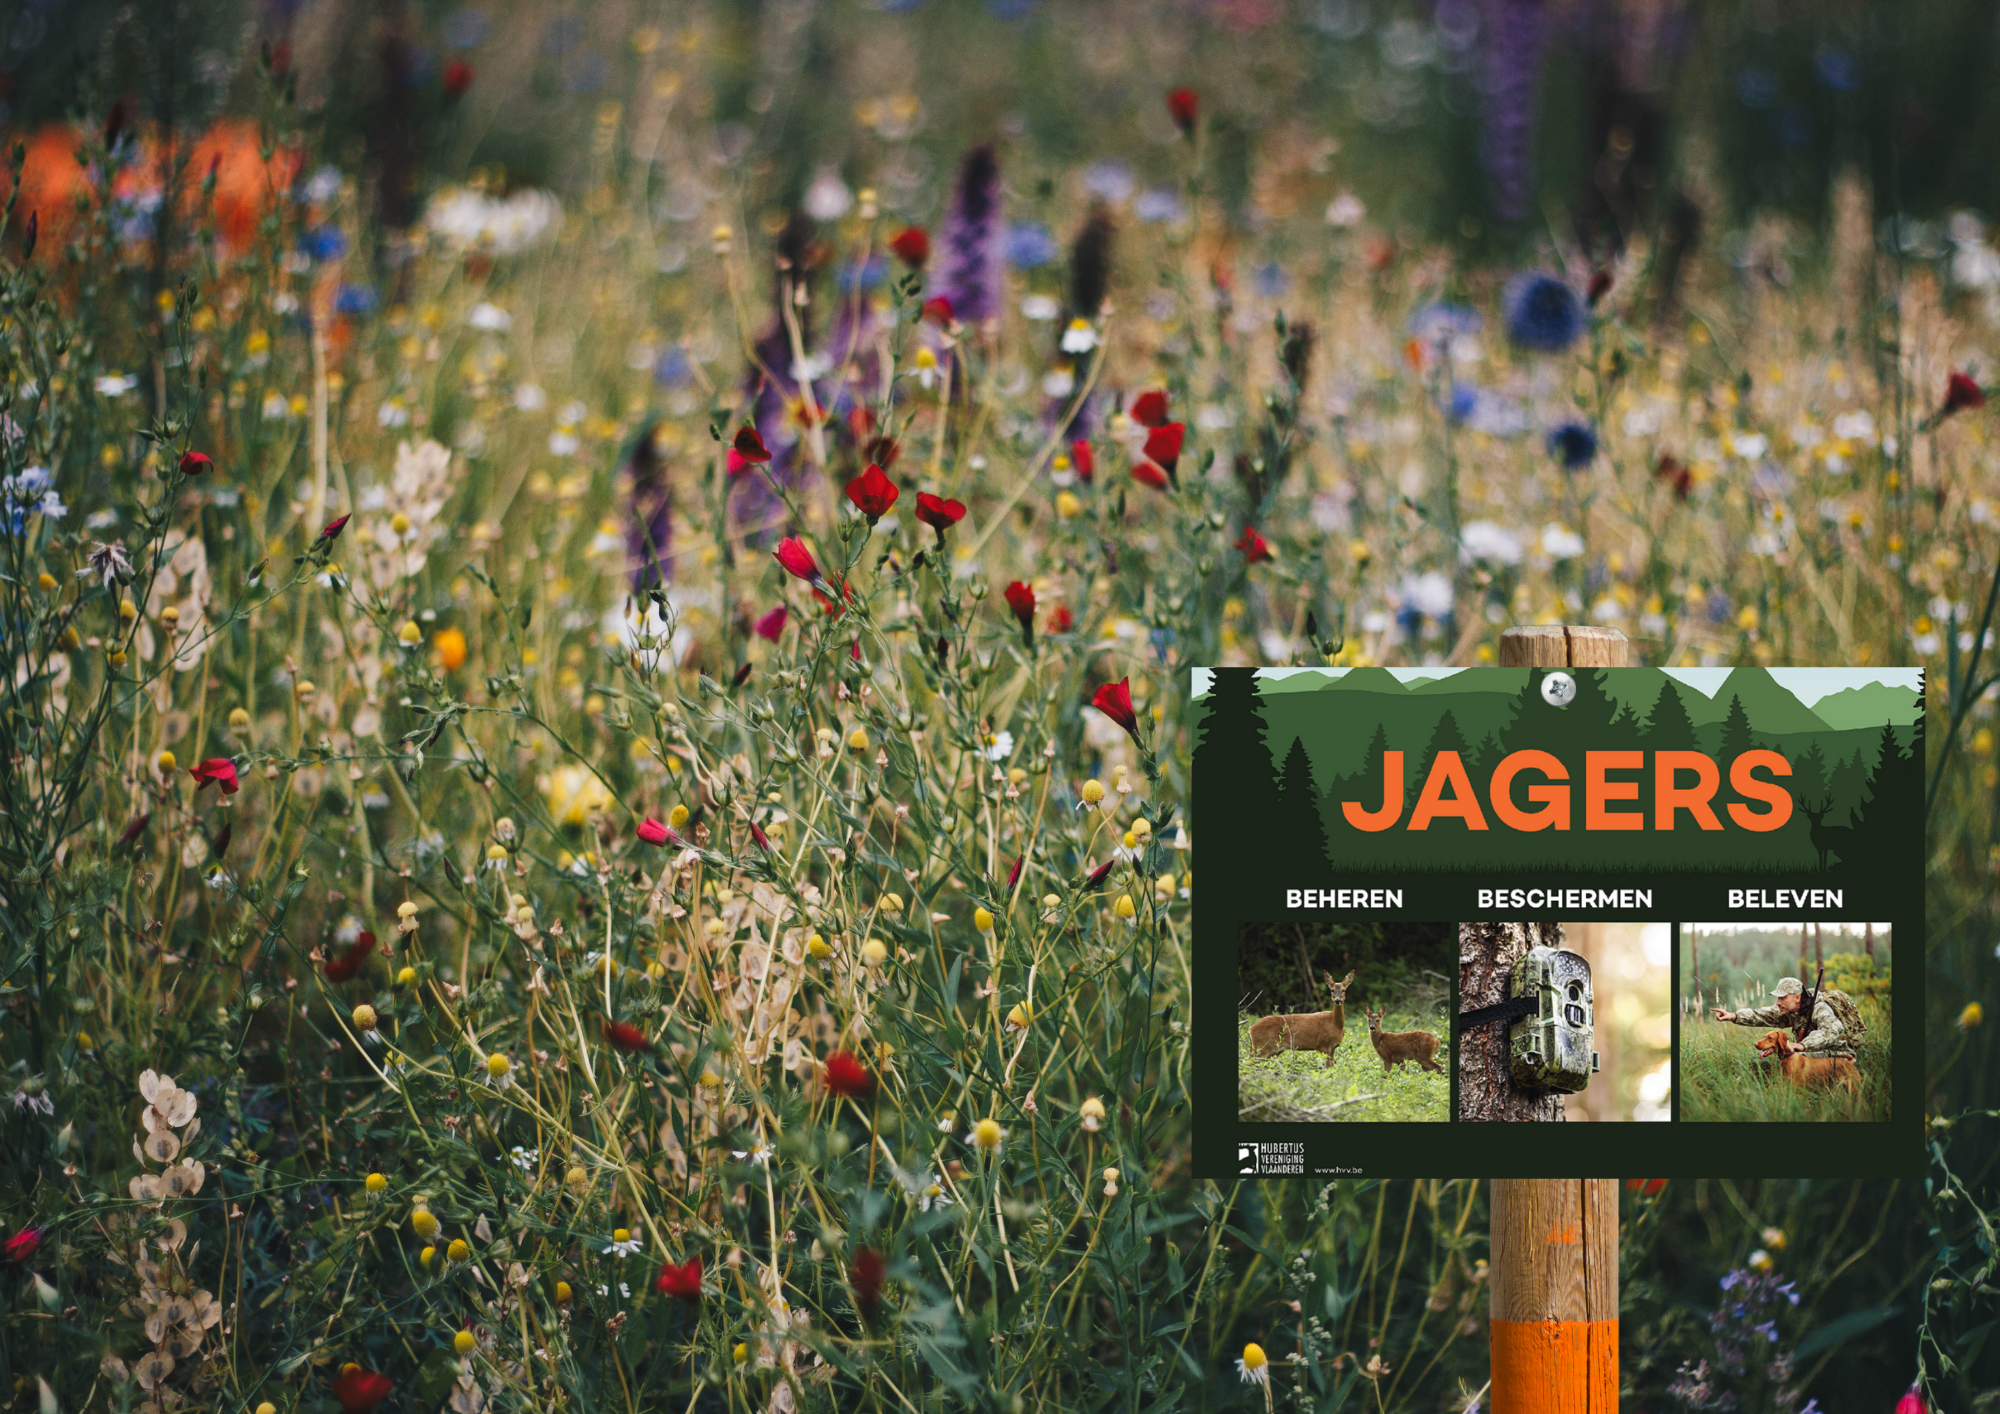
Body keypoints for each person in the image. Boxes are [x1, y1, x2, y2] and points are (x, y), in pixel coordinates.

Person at [1713, 977, 1854, 1059]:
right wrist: (1733, 1016)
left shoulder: (1820, 1008)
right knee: (1792, 1059)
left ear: (1797, 998)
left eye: (1782, 998)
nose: (1778, 1002)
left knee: (1796, 1059)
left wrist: (1802, 1045)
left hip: (1839, 1055)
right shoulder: (1789, 1010)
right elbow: (1761, 1015)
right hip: (1813, 1054)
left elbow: (1830, 1032)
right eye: (1778, 998)